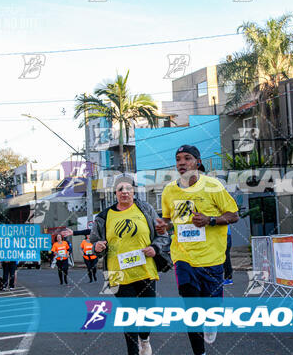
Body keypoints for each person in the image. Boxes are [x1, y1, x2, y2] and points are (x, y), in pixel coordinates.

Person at [64, 173, 170, 355]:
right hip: (116, 273)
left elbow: (163, 236)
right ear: (115, 192)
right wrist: (98, 247)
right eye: (120, 189)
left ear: (134, 191)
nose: (125, 192)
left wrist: (155, 248)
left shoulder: (146, 210)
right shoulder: (103, 217)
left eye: (128, 188)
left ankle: (144, 339)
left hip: (145, 270)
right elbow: (95, 245)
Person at [156, 145, 239, 355]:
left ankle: (211, 321)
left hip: (212, 258)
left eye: (187, 158)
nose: (181, 163)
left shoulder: (212, 186)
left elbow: (233, 215)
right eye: (178, 159)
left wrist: (211, 220)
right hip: (183, 256)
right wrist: (164, 225)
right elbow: (168, 218)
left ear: (197, 162)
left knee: (212, 305)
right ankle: (199, 352)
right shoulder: (169, 190)